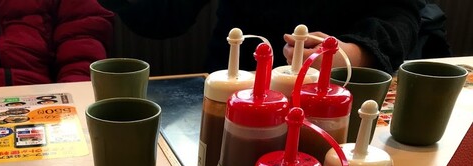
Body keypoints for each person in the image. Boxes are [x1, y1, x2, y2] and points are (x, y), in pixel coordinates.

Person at [98, 0, 428, 74]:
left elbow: (403, 13)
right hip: (235, 82)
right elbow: (164, 17)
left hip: (343, 89)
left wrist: (353, 52)